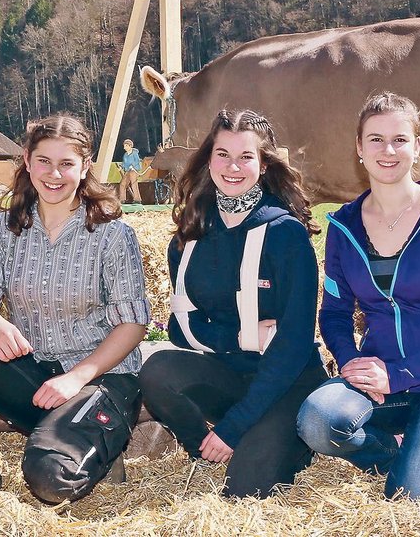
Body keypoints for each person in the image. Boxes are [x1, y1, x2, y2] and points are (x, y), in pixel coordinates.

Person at [0, 115, 150, 503]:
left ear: (85, 168)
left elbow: (133, 323)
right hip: (34, 377)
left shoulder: (113, 234)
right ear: (27, 161)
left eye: (67, 163)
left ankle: (80, 442)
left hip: (98, 379)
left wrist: (77, 378)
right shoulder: (6, 228)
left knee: (50, 481)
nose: (54, 174)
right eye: (44, 161)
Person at [296, 92, 420, 501]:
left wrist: (400, 375)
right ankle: (398, 451)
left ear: (417, 147)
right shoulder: (343, 227)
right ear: (359, 149)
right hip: (382, 378)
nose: (388, 151)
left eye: (400, 139)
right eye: (376, 139)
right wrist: (351, 364)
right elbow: (333, 313)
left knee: (416, 498)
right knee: (317, 420)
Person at [138, 109, 326, 499]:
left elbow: (290, 346)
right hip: (229, 374)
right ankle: (207, 450)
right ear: (209, 158)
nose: (233, 166)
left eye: (245, 157)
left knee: (245, 491)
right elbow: (179, 326)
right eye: (223, 154)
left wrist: (235, 425)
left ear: (263, 164)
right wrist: (243, 336)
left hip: (286, 382)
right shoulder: (191, 231)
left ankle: (278, 441)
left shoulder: (286, 234)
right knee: (157, 369)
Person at [118, 139, 143, 204]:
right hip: (127, 171)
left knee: (133, 184)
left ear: (130, 146)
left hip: (134, 171)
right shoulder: (125, 155)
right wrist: (121, 166)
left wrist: (133, 166)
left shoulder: (134, 154)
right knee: (122, 184)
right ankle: (122, 199)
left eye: (126, 146)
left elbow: (137, 162)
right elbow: (124, 163)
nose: (124, 147)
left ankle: (137, 199)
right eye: (124, 146)